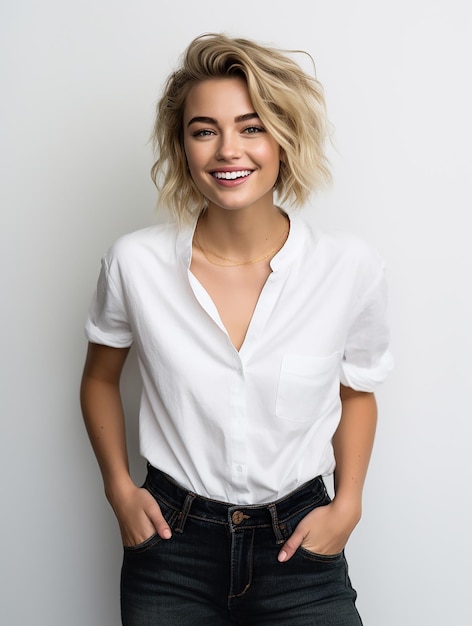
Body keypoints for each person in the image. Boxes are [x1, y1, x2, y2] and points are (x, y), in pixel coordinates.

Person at [80, 33, 393, 626]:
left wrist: (348, 503)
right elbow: (99, 378)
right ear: (183, 146)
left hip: (299, 542)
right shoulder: (134, 265)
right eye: (204, 130)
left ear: (284, 138)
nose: (229, 150)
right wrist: (118, 488)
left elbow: (358, 391)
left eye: (252, 127)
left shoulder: (348, 268)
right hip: (171, 545)